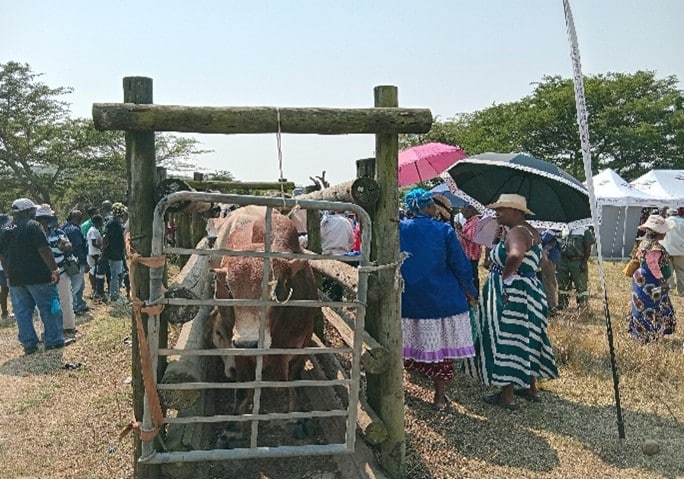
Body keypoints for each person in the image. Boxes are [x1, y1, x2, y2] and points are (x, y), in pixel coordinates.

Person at [464, 193, 558, 410]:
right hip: (529, 291)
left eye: (501, 210)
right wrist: (499, 243)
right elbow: (543, 261)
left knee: (506, 338)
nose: (496, 214)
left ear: (515, 211)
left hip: (511, 293)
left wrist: (506, 277)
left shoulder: (517, 232)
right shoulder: (531, 231)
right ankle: (530, 388)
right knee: (527, 336)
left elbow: (515, 255)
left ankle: (507, 396)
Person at [400, 188, 477, 411]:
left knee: (406, 344)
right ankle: (439, 397)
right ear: (426, 207)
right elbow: (460, 265)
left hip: (408, 299)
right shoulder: (444, 230)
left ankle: (402, 392)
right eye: (432, 206)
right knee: (442, 350)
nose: (435, 209)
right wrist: (470, 292)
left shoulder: (397, 228)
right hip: (441, 299)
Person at [0, 198, 71, 354]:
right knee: (50, 308)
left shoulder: (5, 229)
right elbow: (44, 249)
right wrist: (54, 270)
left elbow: (3, 256)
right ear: (27, 211)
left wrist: (8, 275)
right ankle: (54, 340)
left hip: (16, 279)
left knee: (22, 313)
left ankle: (29, 344)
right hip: (38, 276)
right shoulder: (33, 225)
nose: (35, 212)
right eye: (33, 210)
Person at [627, 214, 676, 341]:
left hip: (640, 277)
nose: (665, 233)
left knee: (641, 303)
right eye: (664, 231)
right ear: (658, 232)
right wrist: (662, 281)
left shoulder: (643, 242)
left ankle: (640, 331)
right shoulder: (655, 247)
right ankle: (650, 333)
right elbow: (653, 265)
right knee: (654, 305)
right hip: (650, 279)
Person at [35, 204, 78, 338]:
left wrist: (66, 245)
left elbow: (68, 246)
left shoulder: (58, 233)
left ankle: (68, 327)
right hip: (42, 275)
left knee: (64, 300)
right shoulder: (33, 234)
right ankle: (46, 330)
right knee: (43, 305)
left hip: (61, 272)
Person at [556, 225, 595, 309]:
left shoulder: (584, 230)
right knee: (562, 284)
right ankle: (562, 304)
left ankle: (582, 305)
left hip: (577, 261)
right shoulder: (564, 229)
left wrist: (584, 262)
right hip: (563, 261)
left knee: (580, 284)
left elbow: (588, 248)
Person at [62, 209, 90, 315]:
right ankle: (73, 308)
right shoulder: (74, 230)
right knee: (75, 286)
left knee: (81, 285)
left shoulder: (64, 227)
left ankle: (80, 304)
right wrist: (85, 262)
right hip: (76, 262)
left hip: (68, 261)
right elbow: (78, 248)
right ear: (78, 218)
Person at [103, 202, 127, 303]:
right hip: (114, 252)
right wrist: (104, 251)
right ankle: (114, 296)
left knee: (119, 274)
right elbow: (106, 237)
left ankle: (115, 293)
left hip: (118, 252)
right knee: (116, 275)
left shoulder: (116, 221)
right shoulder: (113, 223)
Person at [455, 204, 482, 293]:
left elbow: (470, 237)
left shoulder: (474, 222)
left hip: (471, 254)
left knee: (472, 275)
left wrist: (459, 231)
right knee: (469, 274)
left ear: (471, 211)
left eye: (465, 211)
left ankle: (474, 294)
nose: (463, 214)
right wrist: (461, 228)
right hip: (467, 253)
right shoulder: (470, 222)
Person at [660, 207, 684, 296]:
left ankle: (670, 288)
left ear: (668, 214)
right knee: (681, 271)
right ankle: (682, 290)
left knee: (667, 270)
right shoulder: (683, 221)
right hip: (681, 250)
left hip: (667, 249)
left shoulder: (664, 222)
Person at [540, 229, 562, 316]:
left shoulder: (552, 228)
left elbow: (544, 240)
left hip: (548, 259)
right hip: (549, 258)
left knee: (548, 284)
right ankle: (550, 307)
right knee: (548, 283)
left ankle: (551, 309)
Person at [87, 215, 106, 301]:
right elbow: (94, 243)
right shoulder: (93, 231)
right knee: (95, 271)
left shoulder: (95, 230)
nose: (102, 223)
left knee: (95, 270)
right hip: (94, 253)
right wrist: (101, 248)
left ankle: (96, 289)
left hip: (95, 252)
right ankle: (95, 289)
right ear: (97, 222)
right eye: (100, 221)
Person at [0, 214, 13, 320]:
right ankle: (4, 312)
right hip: (4, 266)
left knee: (4, 289)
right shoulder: (4, 233)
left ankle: (5, 312)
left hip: (2, 266)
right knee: (6, 289)